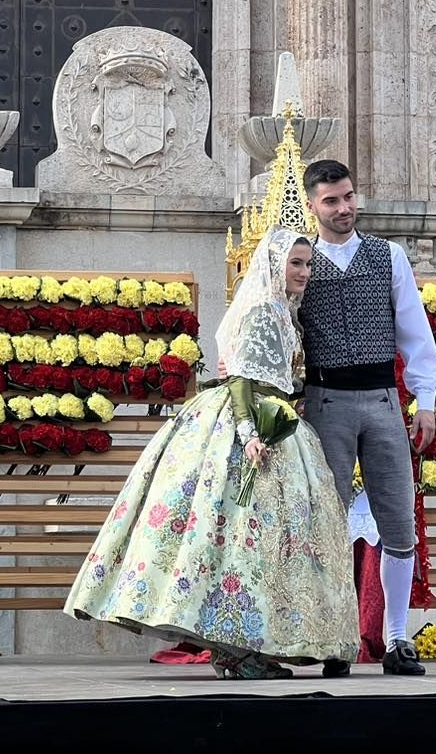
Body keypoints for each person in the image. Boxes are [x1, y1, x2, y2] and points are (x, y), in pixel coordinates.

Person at [65, 228, 358, 679]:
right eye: (295, 263)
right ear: (273, 266)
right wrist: (250, 434)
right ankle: (238, 651)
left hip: (276, 420)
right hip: (251, 426)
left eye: (308, 264)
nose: (303, 272)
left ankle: (250, 645)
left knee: (257, 543)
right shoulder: (262, 309)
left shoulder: (283, 310)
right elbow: (242, 380)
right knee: (242, 540)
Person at [297, 159, 436, 677]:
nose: (344, 208)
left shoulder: (387, 255)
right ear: (313, 204)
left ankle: (397, 639)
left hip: (381, 398)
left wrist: (424, 400)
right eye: (332, 200)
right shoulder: (299, 258)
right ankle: (336, 638)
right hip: (324, 401)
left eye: (349, 197)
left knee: (398, 520)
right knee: (328, 525)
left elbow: (415, 332)